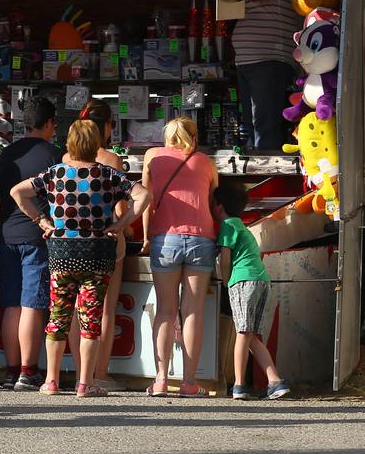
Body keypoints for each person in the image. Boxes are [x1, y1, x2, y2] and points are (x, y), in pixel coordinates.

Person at [11, 120, 148, 397]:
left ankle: (51, 380)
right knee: (91, 319)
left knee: (58, 317)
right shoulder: (109, 175)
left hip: (62, 253)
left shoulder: (55, 173)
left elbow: (17, 192)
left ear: (71, 143)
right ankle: (86, 383)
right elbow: (144, 194)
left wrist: (41, 220)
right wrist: (120, 225)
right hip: (98, 254)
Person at [142, 115, 219, 398]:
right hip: (201, 239)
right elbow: (211, 200)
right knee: (192, 312)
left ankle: (161, 380)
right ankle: (189, 383)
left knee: (165, 310)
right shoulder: (207, 162)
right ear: (194, 137)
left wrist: (148, 237)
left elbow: (147, 200)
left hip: (166, 239)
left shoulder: (153, 156)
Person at [0, 96, 58, 391]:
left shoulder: (6, 154)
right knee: (32, 302)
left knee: (11, 303)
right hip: (37, 234)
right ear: (48, 124)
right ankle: (28, 370)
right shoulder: (54, 155)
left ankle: (10, 371)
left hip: (7, 234)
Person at [214, 182, 290, 400]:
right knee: (251, 335)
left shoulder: (227, 226)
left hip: (243, 280)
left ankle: (238, 384)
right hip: (261, 280)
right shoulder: (241, 226)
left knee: (242, 332)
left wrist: (226, 280)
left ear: (219, 206)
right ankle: (274, 380)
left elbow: (225, 257)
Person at [71, 99, 127, 392]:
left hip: (68, 242)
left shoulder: (65, 157)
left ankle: (79, 371)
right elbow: (120, 205)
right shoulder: (111, 159)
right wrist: (123, 228)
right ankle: (99, 373)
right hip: (104, 240)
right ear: (106, 128)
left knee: (72, 309)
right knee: (103, 308)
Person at [232, 0, 302, 149]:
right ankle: (263, 163)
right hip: (257, 57)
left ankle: (264, 165)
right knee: (259, 122)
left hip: (263, 56)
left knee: (262, 122)